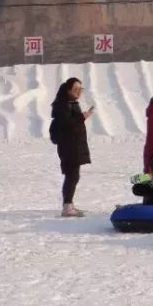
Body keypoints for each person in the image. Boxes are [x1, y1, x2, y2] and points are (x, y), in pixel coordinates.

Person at [50, 78, 93, 217]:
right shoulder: (63, 105)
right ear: (68, 90)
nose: (79, 92)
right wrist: (82, 117)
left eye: (80, 89)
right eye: (75, 89)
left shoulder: (71, 103)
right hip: (69, 146)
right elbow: (67, 125)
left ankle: (69, 204)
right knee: (72, 175)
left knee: (73, 175)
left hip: (74, 145)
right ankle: (67, 206)